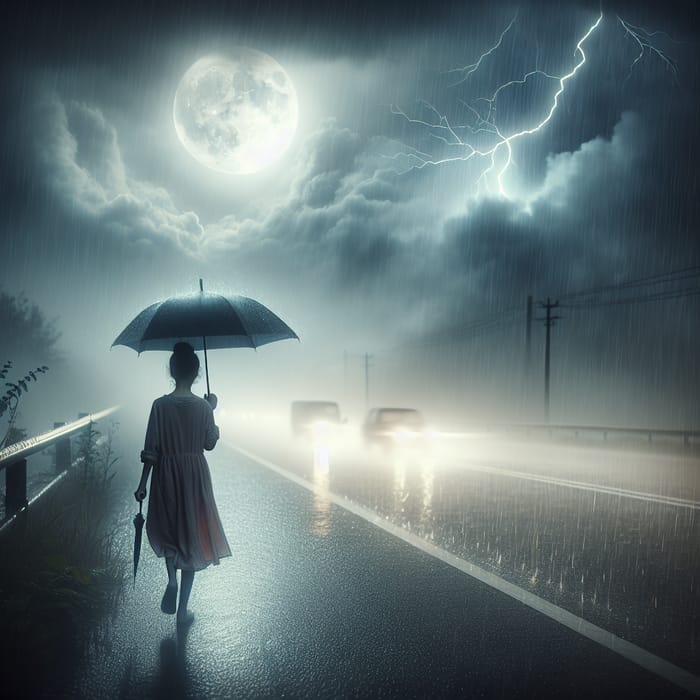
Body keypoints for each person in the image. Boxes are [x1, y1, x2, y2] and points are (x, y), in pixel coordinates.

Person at [134, 342, 231, 626]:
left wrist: (143, 484)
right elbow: (209, 443)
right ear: (197, 372)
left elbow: (151, 449)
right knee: (191, 535)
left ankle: (170, 581)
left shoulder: (159, 406)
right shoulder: (203, 407)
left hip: (166, 472)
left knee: (170, 530)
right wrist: (212, 410)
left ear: (172, 371)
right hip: (195, 474)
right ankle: (182, 610)